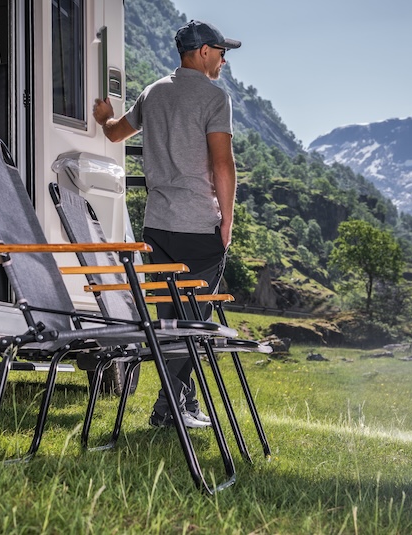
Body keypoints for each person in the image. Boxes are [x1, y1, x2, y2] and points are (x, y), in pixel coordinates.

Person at [92, 20, 240, 429]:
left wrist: (105, 118)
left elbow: (116, 133)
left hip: (158, 226)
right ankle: (169, 408)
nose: (225, 60)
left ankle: (180, 403)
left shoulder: (153, 93)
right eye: (222, 52)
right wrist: (227, 221)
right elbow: (222, 163)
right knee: (193, 321)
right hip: (198, 227)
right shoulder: (215, 97)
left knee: (170, 318)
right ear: (204, 52)